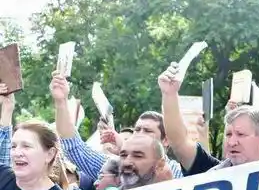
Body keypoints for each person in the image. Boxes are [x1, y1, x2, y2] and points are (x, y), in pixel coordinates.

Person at [51, 72, 183, 181]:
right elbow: (75, 148)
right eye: (137, 130)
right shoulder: (114, 168)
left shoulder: (179, 172)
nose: (140, 134)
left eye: (148, 131)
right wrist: (61, 101)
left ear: (166, 140)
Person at [158, 62, 259, 174]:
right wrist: (169, 94)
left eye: (240, 134)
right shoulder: (212, 174)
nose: (231, 142)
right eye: (228, 134)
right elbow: (178, 141)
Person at [0, 120, 74, 190]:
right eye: (13, 146)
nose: (17, 153)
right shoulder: (2, 175)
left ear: (50, 154)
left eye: (26, 146)